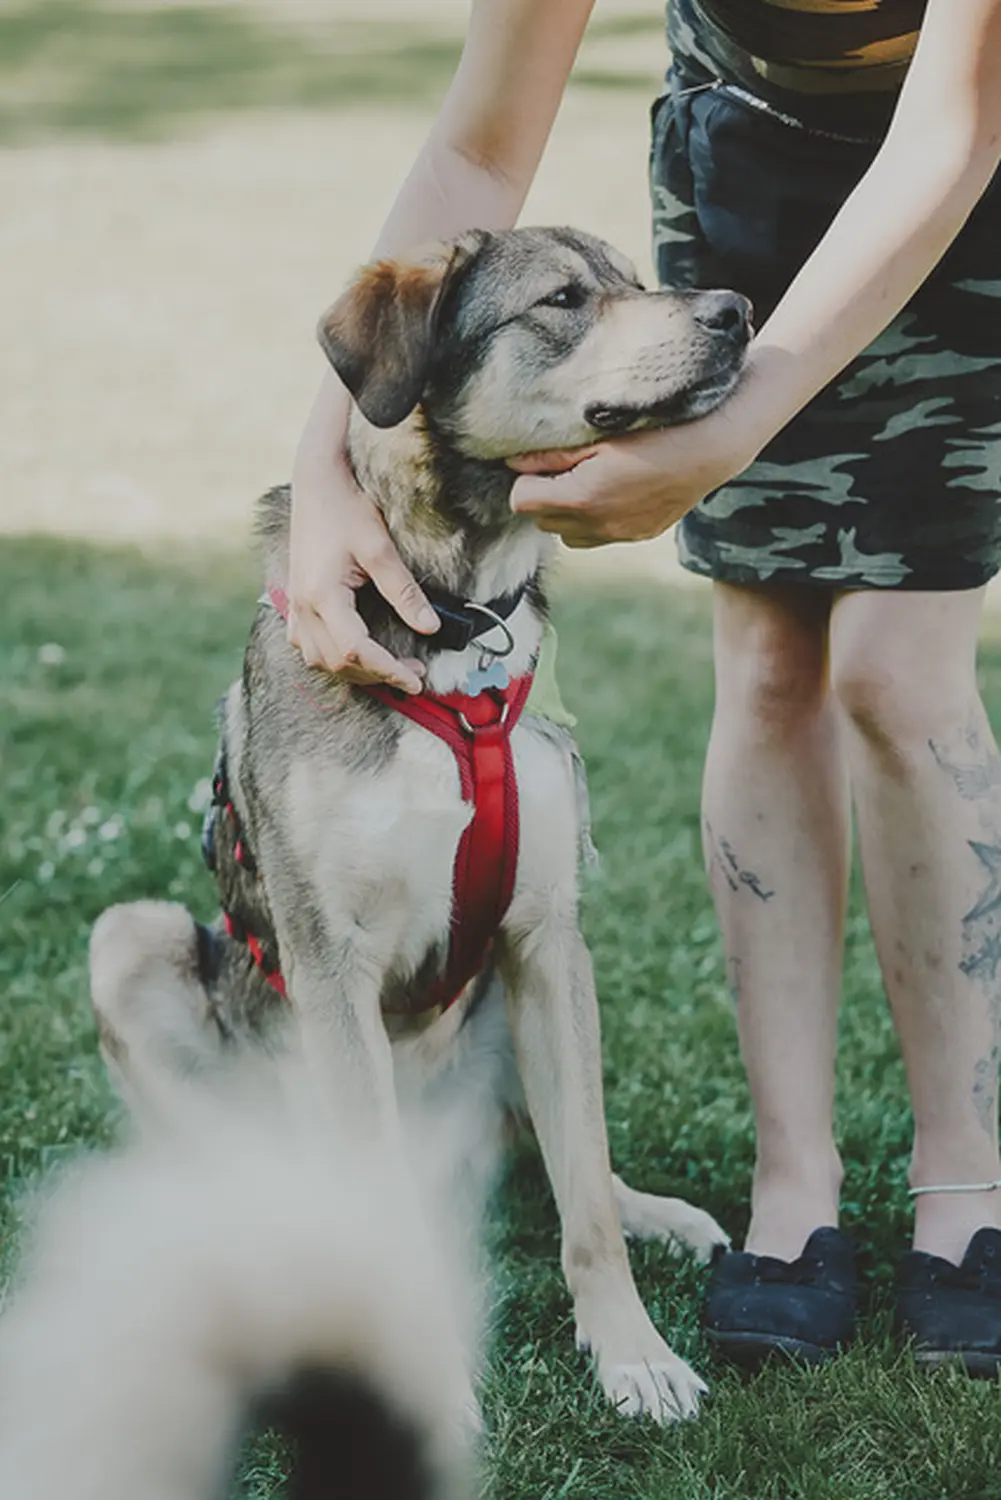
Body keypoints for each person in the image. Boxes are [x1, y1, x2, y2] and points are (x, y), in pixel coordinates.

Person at [288, 0, 1001, 1372]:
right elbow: (480, 144)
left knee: (895, 670)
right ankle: (794, 1189)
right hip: (750, 154)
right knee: (775, 657)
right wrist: (326, 460)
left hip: (964, 180)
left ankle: (965, 1187)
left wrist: (731, 428)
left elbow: (954, 129)